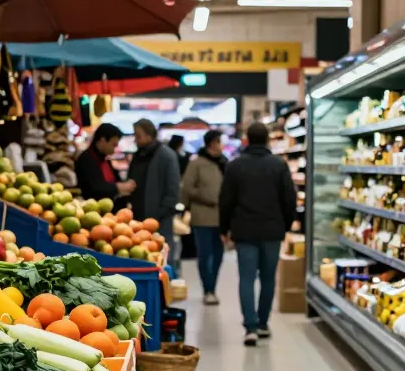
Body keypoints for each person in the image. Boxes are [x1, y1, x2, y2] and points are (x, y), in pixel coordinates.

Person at [219, 122, 296, 346]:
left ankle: (250, 327)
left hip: (245, 230)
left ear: (247, 139)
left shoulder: (235, 166)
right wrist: (286, 225)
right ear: (268, 140)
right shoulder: (278, 165)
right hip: (272, 230)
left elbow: (226, 201)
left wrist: (224, 229)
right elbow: (289, 200)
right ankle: (263, 324)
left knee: (246, 278)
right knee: (269, 278)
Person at [127, 119, 181, 269]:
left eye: (138, 135)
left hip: (159, 220)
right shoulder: (138, 155)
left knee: (162, 260)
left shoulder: (166, 156)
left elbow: (173, 189)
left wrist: (160, 213)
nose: (135, 139)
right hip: (138, 219)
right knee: (141, 258)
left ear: (149, 135)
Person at [181, 129, 226, 304]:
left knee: (219, 255)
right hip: (202, 216)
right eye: (218, 141)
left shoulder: (224, 163)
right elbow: (187, 188)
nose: (221, 145)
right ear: (211, 144)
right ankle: (208, 289)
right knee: (205, 254)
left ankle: (212, 286)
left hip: (221, 218)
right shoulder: (197, 163)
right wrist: (206, 196)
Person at [75, 123, 135, 205]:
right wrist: (120, 187)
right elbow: (94, 188)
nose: (114, 150)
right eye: (113, 145)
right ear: (103, 140)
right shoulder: (86, 160)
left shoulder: (105, 160)